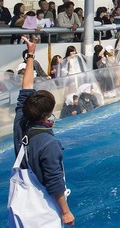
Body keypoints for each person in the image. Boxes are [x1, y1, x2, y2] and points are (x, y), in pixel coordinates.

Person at [12, 36, 75, 226]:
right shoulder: (49, 143)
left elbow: (26, 88)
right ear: (48, 114)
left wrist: (30, 54)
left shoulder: (20, 120)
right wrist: (65, 212)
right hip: (41, 211)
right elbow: (54, 182)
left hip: (18, 204)